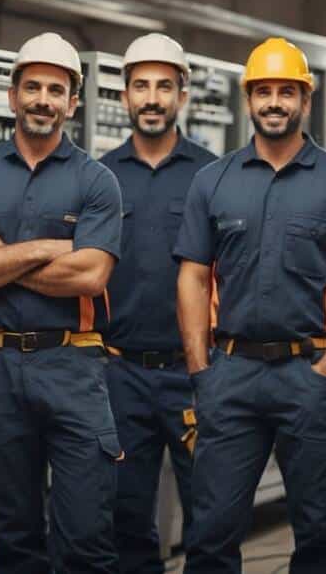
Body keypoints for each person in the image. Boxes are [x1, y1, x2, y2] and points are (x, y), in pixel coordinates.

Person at [174, 37, 326, 574]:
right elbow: (193, 279)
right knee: (211, 534)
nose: (274, 102)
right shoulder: (212, 182)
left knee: (317, 533)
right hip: (232, 377)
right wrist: (202, 371)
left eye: (286, 92)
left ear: (305, 101)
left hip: (309, 377)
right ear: (249, 100)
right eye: (263, 91)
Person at [0, 32, 125, 574]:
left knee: (85, 539)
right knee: (14, 539)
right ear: (13, 95)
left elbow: (90, 273)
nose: (44, 99)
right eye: (33, 87)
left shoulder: (97, 180)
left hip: (73, 367)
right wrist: (47, 250)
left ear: (73, 102)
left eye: (56, 90)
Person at [99, 33, 217, 572]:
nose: (152, 97)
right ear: (123, 96)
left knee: (211, 516)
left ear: (182, 96)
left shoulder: (213, 175)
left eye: (164, 87)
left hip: (196, 371)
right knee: (126, 519)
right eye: (141, 86)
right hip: (119, 375)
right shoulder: (99, 177)